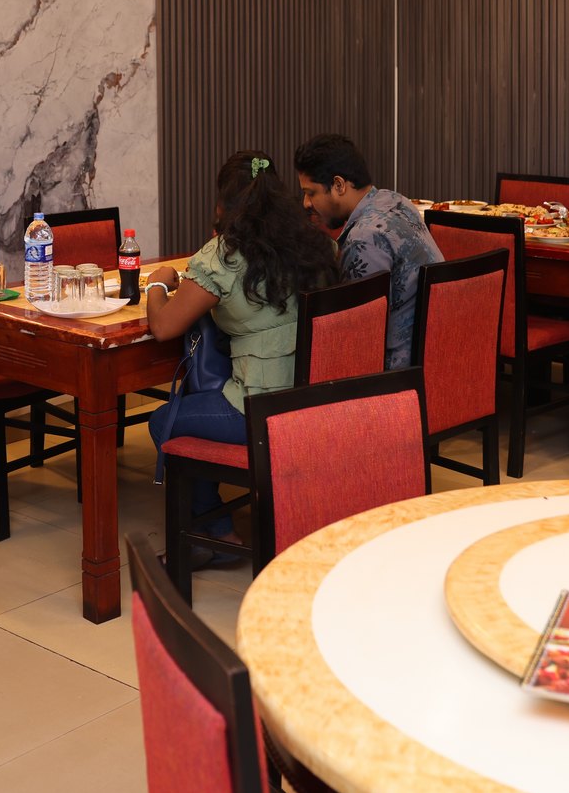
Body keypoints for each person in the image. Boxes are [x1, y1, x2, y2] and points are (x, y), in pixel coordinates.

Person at [144, 150, 338, 562]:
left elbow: (163, 327)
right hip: (314, 395)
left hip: (259, 405)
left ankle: (215, 537)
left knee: (164, 421)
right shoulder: (313, 244)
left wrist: (157, 285)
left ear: (223, 204)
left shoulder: (223, 257)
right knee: (196, 402)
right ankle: (220, 528)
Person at [294, 133, 442, 371]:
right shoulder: (397, 201)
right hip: (434, 349)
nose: (306, 203)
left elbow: (358, 333)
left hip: (396, 370)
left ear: (339, 185)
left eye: (311, 193)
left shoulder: (365, 238)